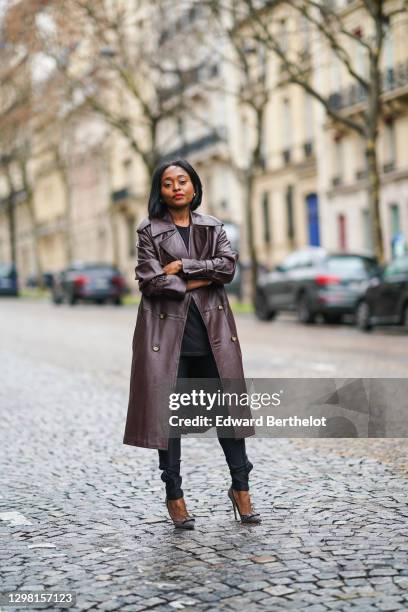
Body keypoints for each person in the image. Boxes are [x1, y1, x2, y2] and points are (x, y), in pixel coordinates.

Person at [123, 158, 261, 529]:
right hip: (167, 341)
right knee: (169, 423)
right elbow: (152, 283)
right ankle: (175, 496)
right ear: (161, 192)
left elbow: (228, 269)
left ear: (195, 187)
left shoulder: (213, 226)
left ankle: (242, 491)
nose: (177, 187)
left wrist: (183, 268)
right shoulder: (148, 231)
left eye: (183, 181)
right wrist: (205, 273)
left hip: (213, 337)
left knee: (228, 415)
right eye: (168, 183)